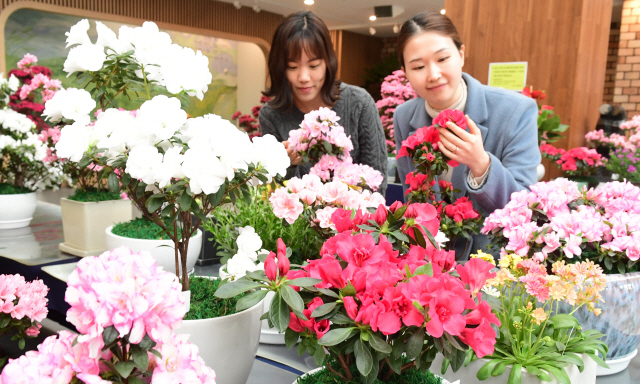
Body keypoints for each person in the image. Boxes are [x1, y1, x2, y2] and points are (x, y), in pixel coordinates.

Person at [394, 11, 539, 259]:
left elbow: (525, 207)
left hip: (494, 264)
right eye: (418, 66)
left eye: (442, 59)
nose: (433, 74)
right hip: (431, 264)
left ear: (461, 55)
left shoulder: (516, 111)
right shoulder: (404, 117)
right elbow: (414, 200)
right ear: (405, 71)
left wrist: (481, 165)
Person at [259, 11, 388, 194]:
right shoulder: (271, 115)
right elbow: (274, 192)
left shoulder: (359, 103)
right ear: (280, 67)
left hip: (355, 219)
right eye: (293, 67)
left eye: (313, 66)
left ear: (328, 62)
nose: (303, 77)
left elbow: (377, 183)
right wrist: (286, 165)